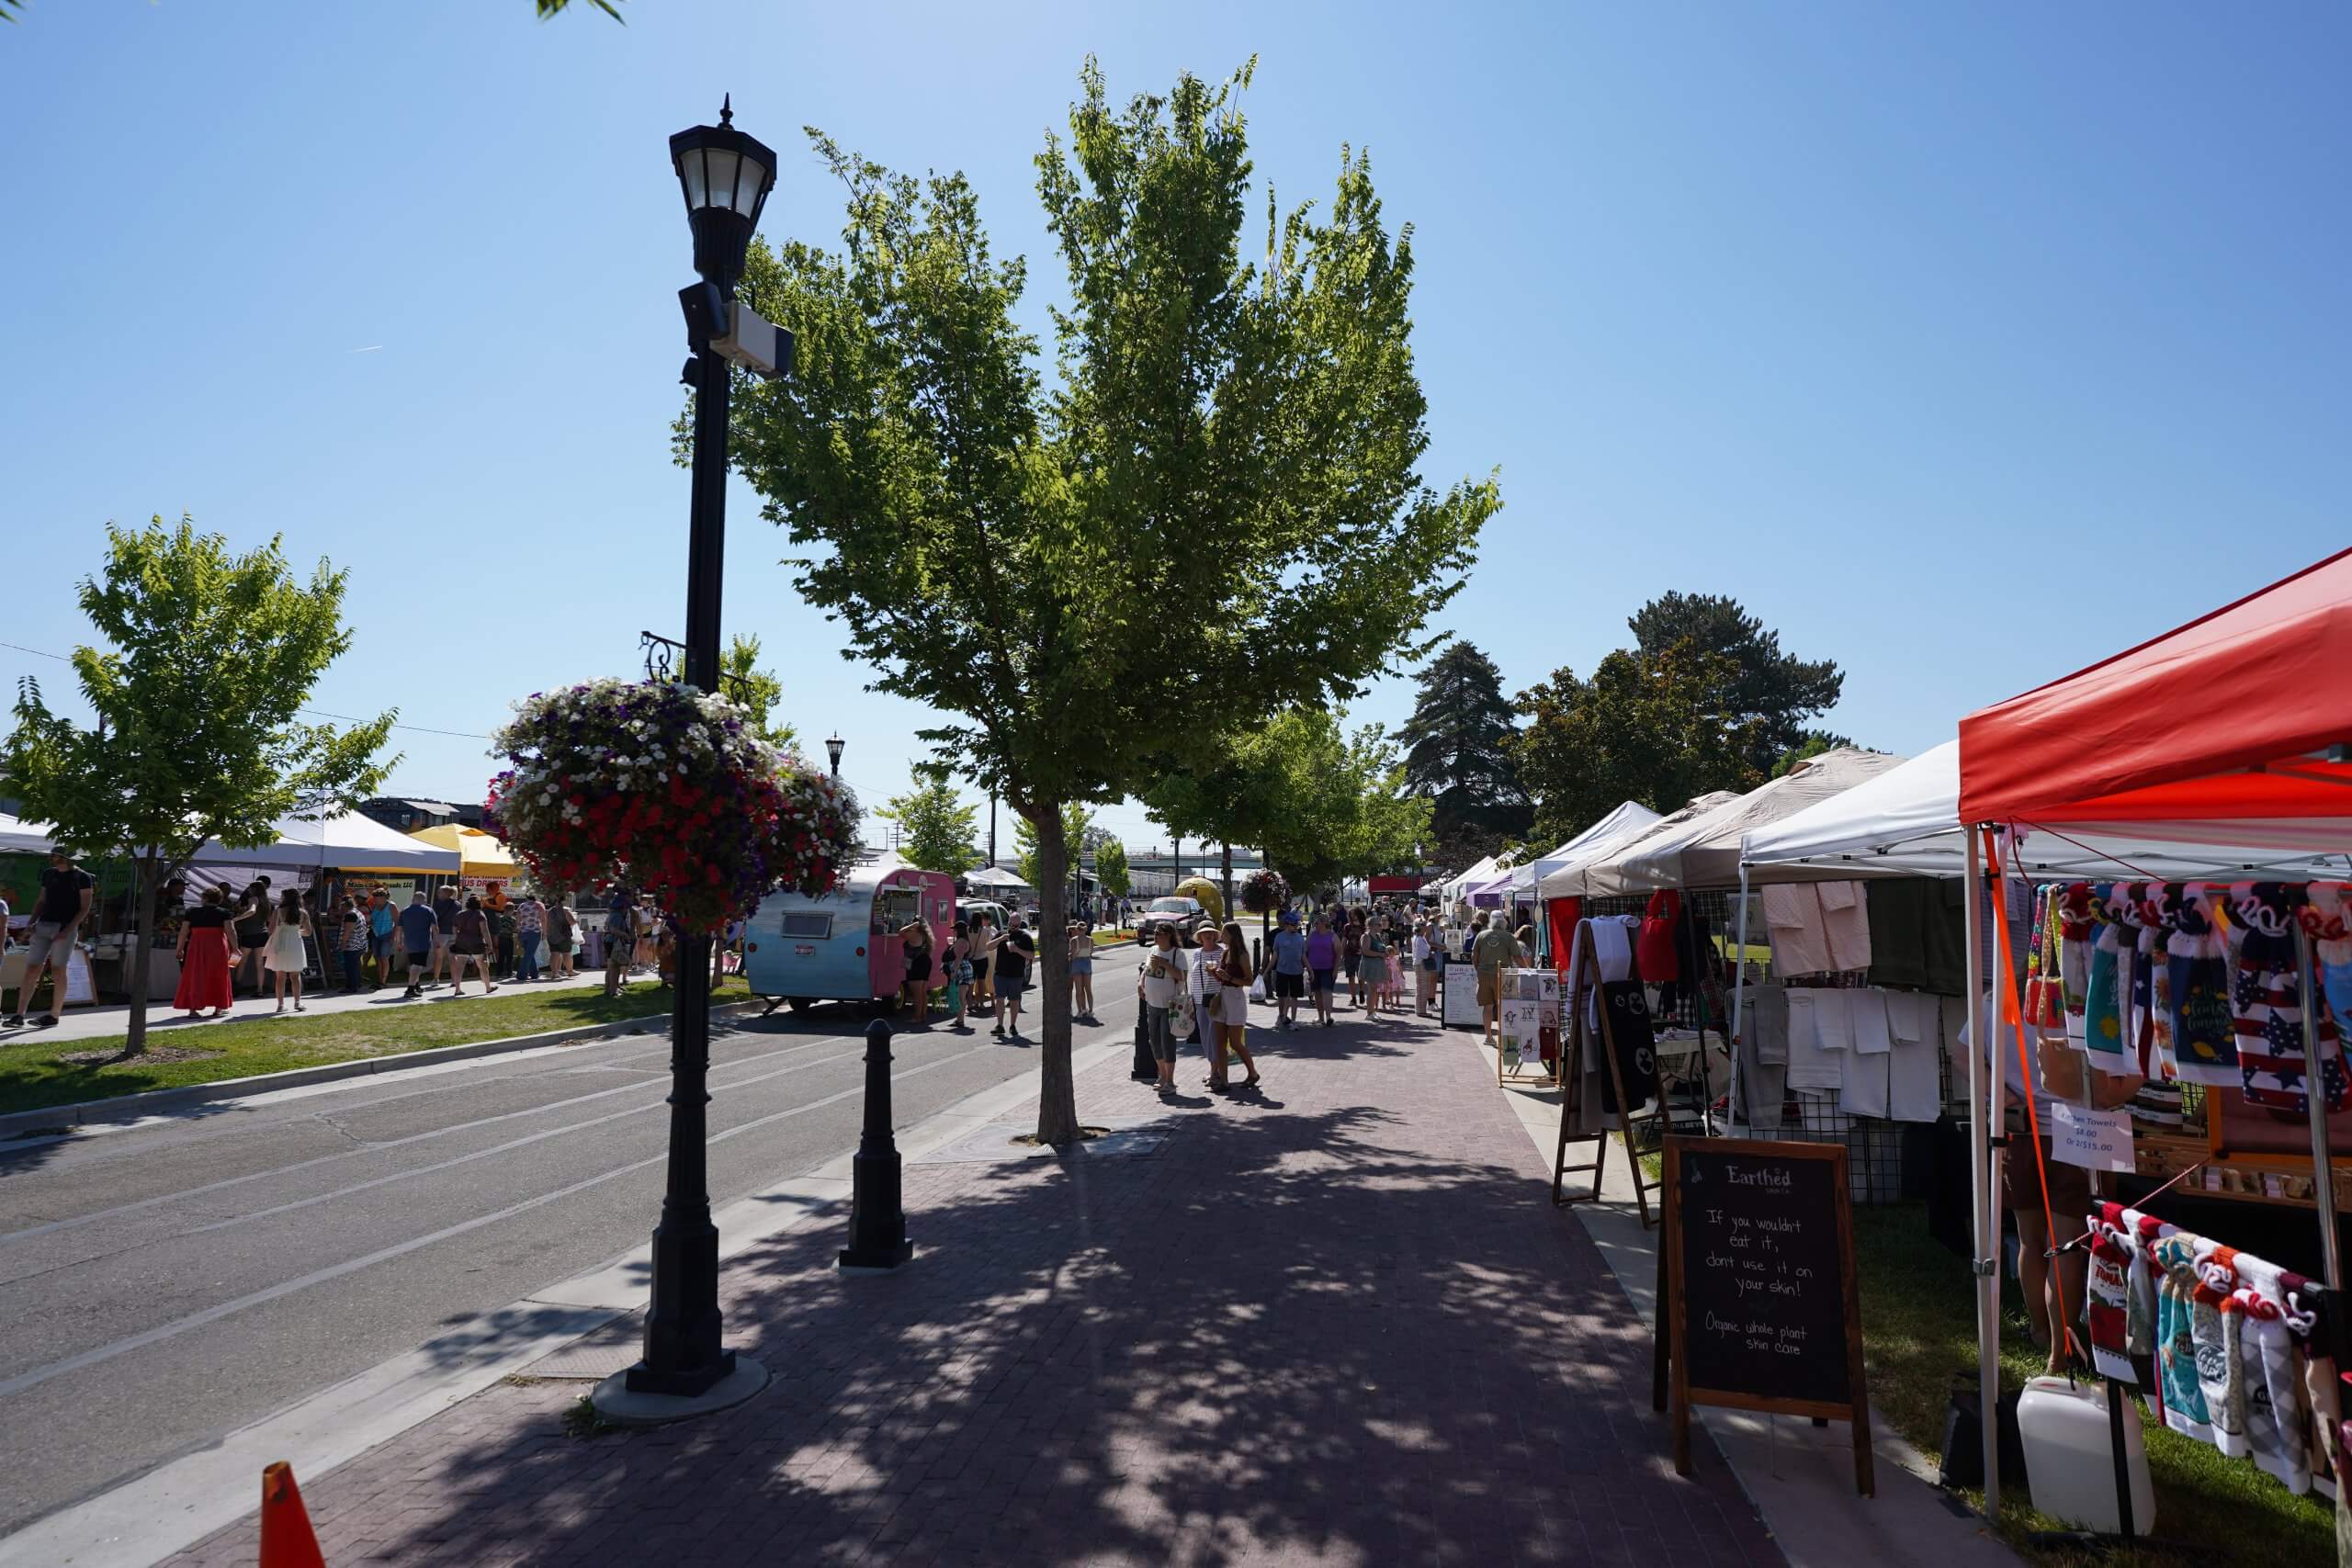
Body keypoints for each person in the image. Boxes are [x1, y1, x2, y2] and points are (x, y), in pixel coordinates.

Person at [5, 848, 95, 1028]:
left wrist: (67, 930)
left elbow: (85, 908)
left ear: (64, 858)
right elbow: (41, 901)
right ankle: (19, 1015)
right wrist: (31, 923)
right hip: (43, 925)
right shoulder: (49, 874)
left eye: (53, 855)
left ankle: (54, 1015)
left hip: (64, 928)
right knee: (32, 968)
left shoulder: (82, 877)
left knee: (58, 970)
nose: (50, 858)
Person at [172, 886, 237, 1020]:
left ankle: (193, 1009)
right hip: (218, 946)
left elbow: (184, 932)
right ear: (219, 899)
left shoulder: (192, 912)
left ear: (204, 898)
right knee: (219, 975)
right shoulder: (224, 912)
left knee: (195, 975)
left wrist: (179, 948)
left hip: (197, 946)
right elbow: (230, 931)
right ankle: (219, 1008)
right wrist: (235, 948)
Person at [1210, 920, 1261, 1090]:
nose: (1221, 936)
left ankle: (1252, 1072)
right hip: (1223, 996)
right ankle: (1223, 1081)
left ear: (1232, 935)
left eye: (1224, 933)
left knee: (1235, 1042)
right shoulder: (1225, 953)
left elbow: (1249, 980)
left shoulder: (1242, 955)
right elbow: (1223, 978)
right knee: (1220, 1042)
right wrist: (1215, 974)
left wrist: (1229, 978)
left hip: (1235, 998)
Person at [1140, 924, 1184, 1092]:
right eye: (1156, 933)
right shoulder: (1152, 950)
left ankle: (1170, 1081)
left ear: (1169, 936)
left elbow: (1181, 976)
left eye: (1160, 933)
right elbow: (1146, 970)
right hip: (1152, 1002)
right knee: (1154, 1041)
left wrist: (1165, 965)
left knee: (1167, 1042)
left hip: (1169, 1005)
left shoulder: (1176, 954)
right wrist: (1140, 982)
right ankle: (1163, 1075)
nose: (1156, 936)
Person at [264, 887, 314, 1013]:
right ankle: (297, 1003)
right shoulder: (303, 913)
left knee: (280, 977)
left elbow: (270, 930)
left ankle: (280, 1005)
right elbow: (308, 932)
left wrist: (282, 931)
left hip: (280, 944)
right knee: (295, 976)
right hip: (296, 944)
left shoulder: (278, 911)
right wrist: (295, 931)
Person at [1471, 914, 1515, 1047]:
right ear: (1504, 922)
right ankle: (1504, 1039)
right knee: (1504, 1007)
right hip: (1503, 973)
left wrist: (1478, 969)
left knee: (1488, 1007)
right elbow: (1518, 956)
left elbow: (1474, 955)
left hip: (1484, 973)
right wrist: (1528, 970)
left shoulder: (1481, 935)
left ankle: (1489, 1037)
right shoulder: (1508, 937)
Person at [992, 915, 1037, 1041]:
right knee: (999, 999)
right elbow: (988, 947)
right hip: (1000, 973)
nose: (1013, 927)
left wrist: (1017, 949)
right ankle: (1000, 1025)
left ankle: (1012, 1025)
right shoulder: (1002, 934)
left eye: (1016, 925)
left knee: (1014, 1001)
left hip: (1016, 975)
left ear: (1020, 925)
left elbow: (1032, 955)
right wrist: (1000, 939)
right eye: (1011, 924)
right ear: (1008, 923)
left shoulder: (1025, 937)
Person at [448, 895, 500, 997]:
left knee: (460, 966)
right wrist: (490, 945)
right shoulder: (480, 915)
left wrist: (457, 939)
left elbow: (454, 930)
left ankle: (457, 989)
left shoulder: (459, 914)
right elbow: (485, 931)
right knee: (482, 966)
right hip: (477, 942)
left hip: (461, 942)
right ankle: (488, 987)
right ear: (478, 904)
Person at [231, 876, 273, 998]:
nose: (248, 889)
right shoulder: (266, 901)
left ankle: (236, 988)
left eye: (250, 887)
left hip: (249, 934)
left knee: (241, 962)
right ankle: (260, 990)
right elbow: (268, 919)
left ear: (254, 889)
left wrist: (236, 919)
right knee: (260, 964)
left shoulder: (253, 899)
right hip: (262, 934)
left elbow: (252, 911)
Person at [395, 891, 438, 998]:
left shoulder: (404, 911)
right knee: (417, 965)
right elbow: (434, 928)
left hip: (409, 942)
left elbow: (399, 928)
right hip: (422, 942)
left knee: (414, 963)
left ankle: (416, 986)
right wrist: (436, 941)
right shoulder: (429, 910)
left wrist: (399, 942)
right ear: (424, 900)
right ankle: (410, 989)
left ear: (413, 899)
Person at [1270, 910, 1306, 1031]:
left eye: (1296, 924)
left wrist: (1310, 970)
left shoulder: (1300, 938)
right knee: (1283, 996)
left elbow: (1303, 956)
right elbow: (1275, 955)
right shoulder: (1279, 937)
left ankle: (1294, 1020)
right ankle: (1282, 1017)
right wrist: (1267, 970)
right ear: (1287, 924)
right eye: (1293, 924)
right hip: (1282, 970)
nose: (1295, 927)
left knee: (1294, 997)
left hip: (1297, 971)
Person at [899, 916, 935, 1027]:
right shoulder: (926, 935)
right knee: (923, 992)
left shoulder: (914, 934)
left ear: (916, 925)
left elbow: (900, 932)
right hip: (926, 962)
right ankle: (923, 1015)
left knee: (917, 993)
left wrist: (911, 926)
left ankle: (916, 1017)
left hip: (916, 964)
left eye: (912, 922)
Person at [1304, 913, 1339, 1028]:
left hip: (1328, 968)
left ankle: (1329, 1016)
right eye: (1314, 922)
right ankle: (1321, 1017)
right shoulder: (1312, 935)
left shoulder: (1332, 936)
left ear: (1324, 923)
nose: (1315, 924)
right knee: (1317, 992)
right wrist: (1307, 967)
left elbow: (1339, 953)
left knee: (1327, 991)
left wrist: (1335, 969)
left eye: (1317, 922)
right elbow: (1306, 950)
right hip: (1313, 968)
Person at [428, 884, 462, 988]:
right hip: (453, 933)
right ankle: (453, 979)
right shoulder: (457, 904)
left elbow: (434, 919)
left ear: (445, 894)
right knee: (453, 957)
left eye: (439, 892)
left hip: (441, 933)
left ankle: (436, 979)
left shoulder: (438, 904)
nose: (438, 894)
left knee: (438, 957)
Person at [604, 890, 636, 998]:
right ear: (622, 907)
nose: (626, 909)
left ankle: (608, 988)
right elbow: (614, 930)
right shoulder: (617, 916)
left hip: (609, 941)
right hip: (614, 942)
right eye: (626, 907)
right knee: (615, 967)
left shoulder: (612, 914)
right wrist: (625, 935)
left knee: (611, 966)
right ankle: (613, 990)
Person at [944, 919, 975, 1032]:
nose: (953, 931)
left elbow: (959, 958)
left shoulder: (961, 941)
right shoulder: (965, 940)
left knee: (961, 996)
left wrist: (954, 972)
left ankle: (960, 1020)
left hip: (961, 969)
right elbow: (968, 954)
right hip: (965, 968)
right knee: (962, 995)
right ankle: (959, 1019)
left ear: (958, 930)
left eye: (955, 929)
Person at [1360, 913, 1392, 1022]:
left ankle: (1372, 1012)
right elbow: (1365, 951)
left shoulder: (1377, 936)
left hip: (1377, 965)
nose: (1380, 925)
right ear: (1371, 925)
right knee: (1372, 989)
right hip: (1369, 965)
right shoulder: (1366, 936)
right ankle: (1369, 1013)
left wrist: (1385, 952)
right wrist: (1379, 954)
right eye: (1378, 924)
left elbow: (1380, 949)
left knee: (1374, 990)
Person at [367, 888, 397, 987]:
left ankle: (383, 981)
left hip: (387, 935)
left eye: (377, 898)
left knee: (384, 958)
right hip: (376, 935)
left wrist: (393, 937)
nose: (375, 900)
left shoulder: (391, 906)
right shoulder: (375, 906)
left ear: (384, 897)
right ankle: (380, 980)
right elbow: (373, 920)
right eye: (374, 898)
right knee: (377, 958)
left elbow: (397, 923)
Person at [513, 891, 546, 983]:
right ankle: (521, 975)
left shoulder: (521, 906)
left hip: (523, 932)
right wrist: (545, 933)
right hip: (535, 932)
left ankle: (534, 973)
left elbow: (518, 921)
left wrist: (519, 931)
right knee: (529, 954)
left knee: (529, 953)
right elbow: (543, 919)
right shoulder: (539, 905)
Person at [1068, 922, 1097, 1022]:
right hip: (1087, 962)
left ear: (1077, 930)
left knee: (1078, 990)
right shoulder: (1090, 940)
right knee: (1088, 989)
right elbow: (1091, 952)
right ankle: (1090, 1010)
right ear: (1085, 930)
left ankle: (1080, 1011)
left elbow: (1073, 955)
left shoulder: (1074, 940)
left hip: (1076, 963)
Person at [546, 895, 578, 980]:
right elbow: (572, 922)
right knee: (567, 953)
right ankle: (570, 971)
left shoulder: (550, 911)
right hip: (564, 935)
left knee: (554, 953)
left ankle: (554, 973)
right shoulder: (566, 910)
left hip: (552, 935)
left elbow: (547, 924)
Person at [1413, 919, 1437, 1018]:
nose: (1426, 927)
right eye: (1424, 925)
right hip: (1421, 964)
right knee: (1422, 988)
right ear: (1421, 927)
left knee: (1423, 988)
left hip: (1421, 964)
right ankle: (1421, 1011)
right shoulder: (1419, 939)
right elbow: (1421, 954)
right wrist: (1430, 954)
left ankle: (1420, 1009)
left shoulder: (1420, 938)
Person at [1340, 913, 1365, 1010]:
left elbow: (1367, 939)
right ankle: (1353, 998)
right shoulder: (1347, 927)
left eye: (1355, 915)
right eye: (1351, 915)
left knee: (1361, 976)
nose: (1354, 917)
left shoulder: (1363, 926)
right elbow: (1344, 940)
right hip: (1349, 954)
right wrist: (1342, 954)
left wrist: (1363, 950)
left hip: (1360, 954)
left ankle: (1362, 992)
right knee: (1350, 977)